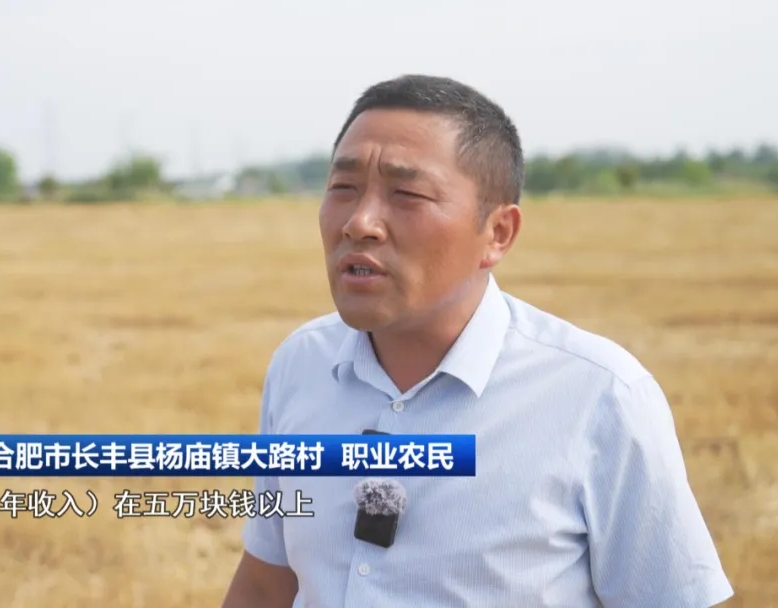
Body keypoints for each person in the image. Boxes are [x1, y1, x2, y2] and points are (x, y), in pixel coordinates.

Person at [220, 74, 733, 607]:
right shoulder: (302, 364)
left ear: (498, 233)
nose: (359, 223)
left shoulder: (600, 397)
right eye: (342, 188)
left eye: (407, 194)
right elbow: (266, 583)